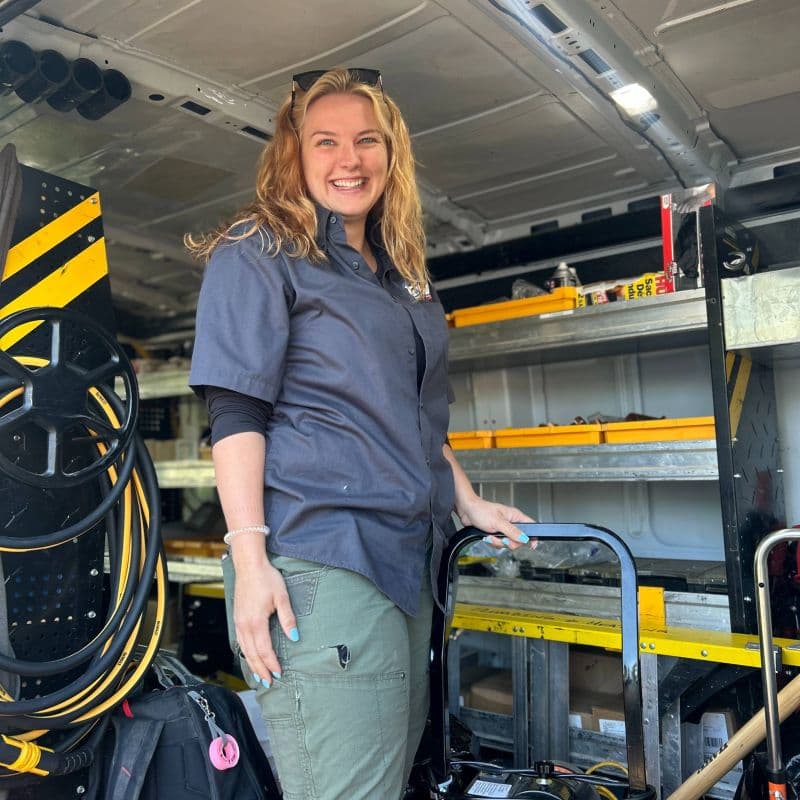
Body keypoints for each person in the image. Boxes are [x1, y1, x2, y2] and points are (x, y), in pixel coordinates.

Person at [187, 67, 534, 800]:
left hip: (408, 566)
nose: (351, 160)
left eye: (367, 141)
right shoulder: (260, 250)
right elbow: (237, 414)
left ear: (391, 152)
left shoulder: (398, 272)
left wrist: (466, 500)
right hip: (325, 560)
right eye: (327, 142)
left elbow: (411, 410)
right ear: (295, 153)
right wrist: (249, 559)